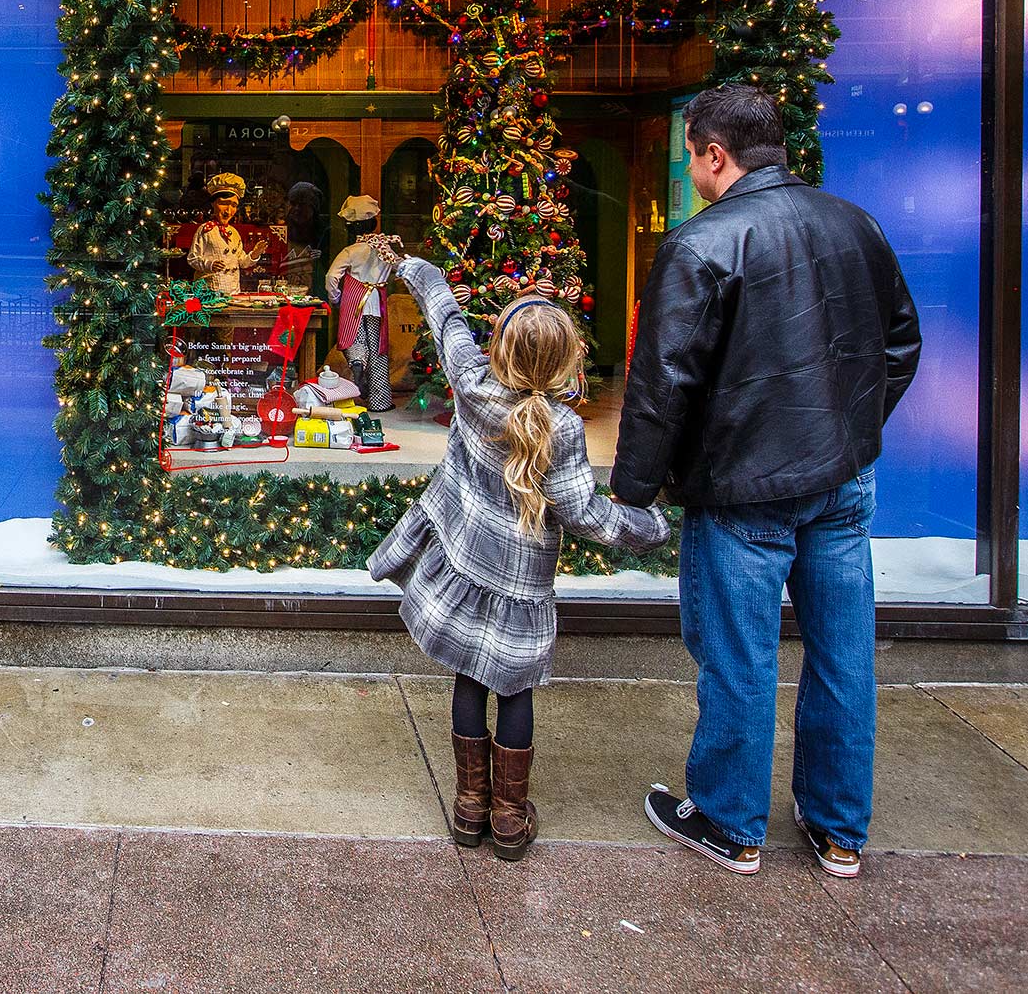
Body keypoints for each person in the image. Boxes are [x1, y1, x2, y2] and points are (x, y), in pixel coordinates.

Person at [612, 83, 921, 880]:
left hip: (742, 489)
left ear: (717, 154)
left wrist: (635, 489)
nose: (691, 167)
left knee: (739, 655)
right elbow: (901, 345)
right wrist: (851, 429)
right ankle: (839, 830)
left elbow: (661, 385)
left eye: (691, 154)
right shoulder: (858, 226)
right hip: (842, 484)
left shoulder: (701, 244)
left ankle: (729, 820)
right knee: (844, 652)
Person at [368, 246, 671, 861]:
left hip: (464, 567)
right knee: (515, 690)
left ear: (499, 350)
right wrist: (653, 527)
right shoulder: (562, 429)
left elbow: (445, 316)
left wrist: (411, 266)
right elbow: (588, 515)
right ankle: (508, 819)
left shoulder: (474, 387)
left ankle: (468, 806)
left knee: (467, 677)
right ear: (565, 363)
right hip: (521, 591)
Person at [323, 195, 395, 411]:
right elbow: (398, 267)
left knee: (354, 338)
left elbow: (331, 276)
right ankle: (380, 401)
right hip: (376, 301)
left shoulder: (350, 251)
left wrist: (335, 297)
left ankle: (357, 361)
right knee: (378, 351)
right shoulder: (385, 249)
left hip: (353, 300)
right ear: (373, 224)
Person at [188, 172, 266, 295]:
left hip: (232, 291)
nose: (228, 211)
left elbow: (242, 262)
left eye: (233, 205)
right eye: (224, 203)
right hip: (209, 292)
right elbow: (192, 258)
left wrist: (255, 254)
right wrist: (210, 264)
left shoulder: (234, 233)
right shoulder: (205, 230)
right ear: (213, 203)